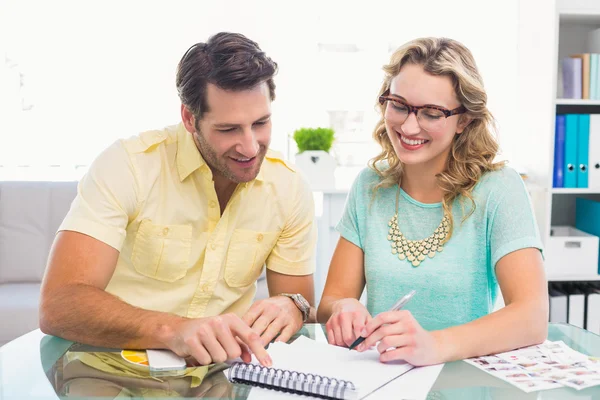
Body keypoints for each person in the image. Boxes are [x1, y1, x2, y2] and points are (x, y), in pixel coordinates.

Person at [39, 32, 317, 368]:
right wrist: (174, 330)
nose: (250, 146)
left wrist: (292, 306)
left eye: (260, 123)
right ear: (189, 118)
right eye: (228, 129)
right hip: (113, 370)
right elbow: (59, 304)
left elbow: (297, 299)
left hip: (224, 376)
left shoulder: (288, 187)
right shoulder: (129, 165)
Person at [317, 37, 548, 366]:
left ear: (464, 120)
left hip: (462, 381)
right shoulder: (370, 185)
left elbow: (532, 317)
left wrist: (434, 346)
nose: (409, 126)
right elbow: (332, 300)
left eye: (431, 113)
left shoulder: (499, 188)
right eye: (398, 104)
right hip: (381, 378)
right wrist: (344, 309)